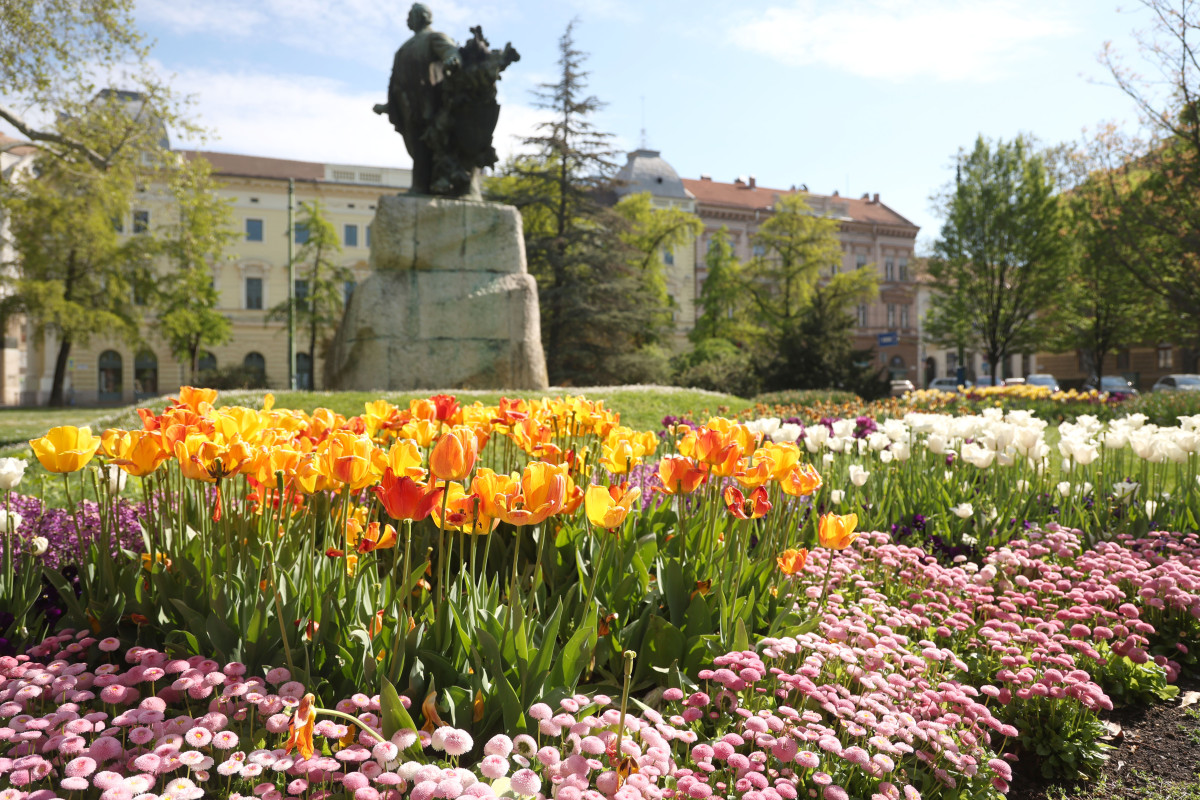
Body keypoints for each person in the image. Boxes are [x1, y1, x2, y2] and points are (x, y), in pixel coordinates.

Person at [384, 4, 460, 195]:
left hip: (430, 102)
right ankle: (420, 186)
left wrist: (452, 59)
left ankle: (424, 186)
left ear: (423, 16)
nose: (407, 19)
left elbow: (451, 51)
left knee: (428, 146)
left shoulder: (434, 37)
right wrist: (389, 106)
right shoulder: (403, 49)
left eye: (411, 15)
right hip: (406, 105)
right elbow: (396, 81)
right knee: (416, 147)